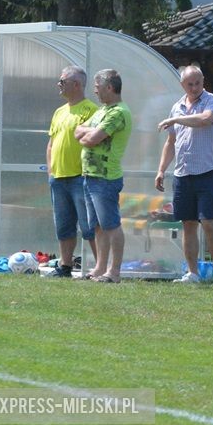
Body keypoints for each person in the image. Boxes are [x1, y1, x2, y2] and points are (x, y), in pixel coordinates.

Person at [156, 65, 213, 287]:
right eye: (190, 84)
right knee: (188, 224)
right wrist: (161, 170)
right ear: (182, 85)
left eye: (198, 82)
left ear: (203, 81)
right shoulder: (176, 106)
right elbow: (171, 142)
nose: (194, 87)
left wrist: (177, 120)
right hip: (183, 173)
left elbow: (205, 119)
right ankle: (193, 273)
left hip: (208, 171)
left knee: (208, 222)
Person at [74, 69, 132, 283]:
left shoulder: (118, 112)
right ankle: (99, 269)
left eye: (97, 88)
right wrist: (88, 134)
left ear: (109, 87)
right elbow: (78, 131)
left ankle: (114, 272)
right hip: (89, 175)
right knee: (97, 225)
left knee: (111, 224)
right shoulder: (101, 111)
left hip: (106, 177)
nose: (95, 92)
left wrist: (88, 135)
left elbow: (90, 138)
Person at [44, 66, 98, 277]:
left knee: (89, 226)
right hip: (58, 178)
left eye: (62, 81)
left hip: (81, 177)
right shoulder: (59, 111)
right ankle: (65, 266)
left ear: (76, 84)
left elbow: (95, 141)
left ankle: (100, 268)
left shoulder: (91, 110)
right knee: (63, 225)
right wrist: (50, 171)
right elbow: (51, 144)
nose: (59, 85)